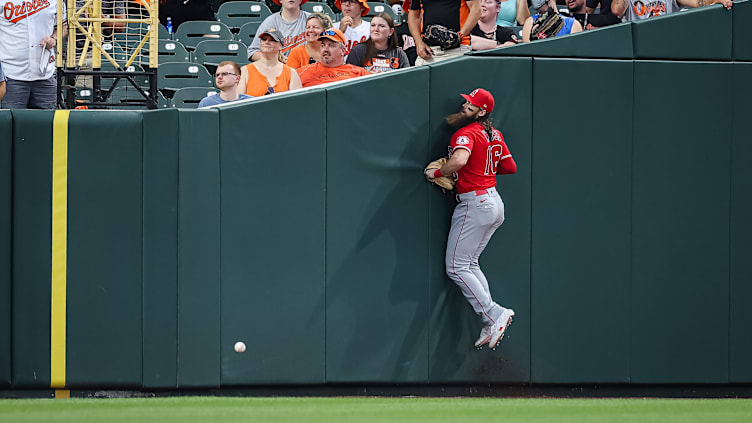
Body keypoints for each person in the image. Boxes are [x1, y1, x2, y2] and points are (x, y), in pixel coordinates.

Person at [424, 88, 517, 350]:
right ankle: (490, 321)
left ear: (482, 111)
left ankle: (493, 313)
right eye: (466, 101)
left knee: (455, 266)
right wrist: (481, 166)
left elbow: (460, 160)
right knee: (469, 263)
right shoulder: (494, 134)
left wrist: (439, 172)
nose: (465, 105)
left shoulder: (466, 132)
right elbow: (509, 167)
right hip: (493, 200)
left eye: (471, 104)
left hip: (475, 202)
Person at [0, 0, 67, 109]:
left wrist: (53, 38)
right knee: (11, 123)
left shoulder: (56, 1)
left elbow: (63, 27)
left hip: (45, 74)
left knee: (45, 123)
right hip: (10, 74)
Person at [408, 0, 481, 66]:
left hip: (456, 49)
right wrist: (418, 42)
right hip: (428, 50)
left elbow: (476, 9)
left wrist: (460, 35)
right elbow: (413, 14)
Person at [238, 29, 303, 96]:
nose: (267, 42)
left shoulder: (291, 73)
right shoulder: (245, 71)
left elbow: (297, 102)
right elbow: (239, 102)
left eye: (272, 40)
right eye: (264, 39)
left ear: (280, 46)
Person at [297, 28, 370, 87]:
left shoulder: (359, 73)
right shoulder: (302, 72)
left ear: (343, 50)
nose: (325, 49)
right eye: (323, 45)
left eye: (331, 45)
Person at [346, 13, 411, 73]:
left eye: (381, 26)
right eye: (373, 25)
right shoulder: (358, 50)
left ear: (391, 31)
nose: (376, 29)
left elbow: (406, 79)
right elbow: (349, 76)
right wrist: (366, 75)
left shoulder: (399, 54)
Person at [611, 0, 731, 20]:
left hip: (664, 42)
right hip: (639, 45)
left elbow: (697, 2)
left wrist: (715, 1)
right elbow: (617, 9)